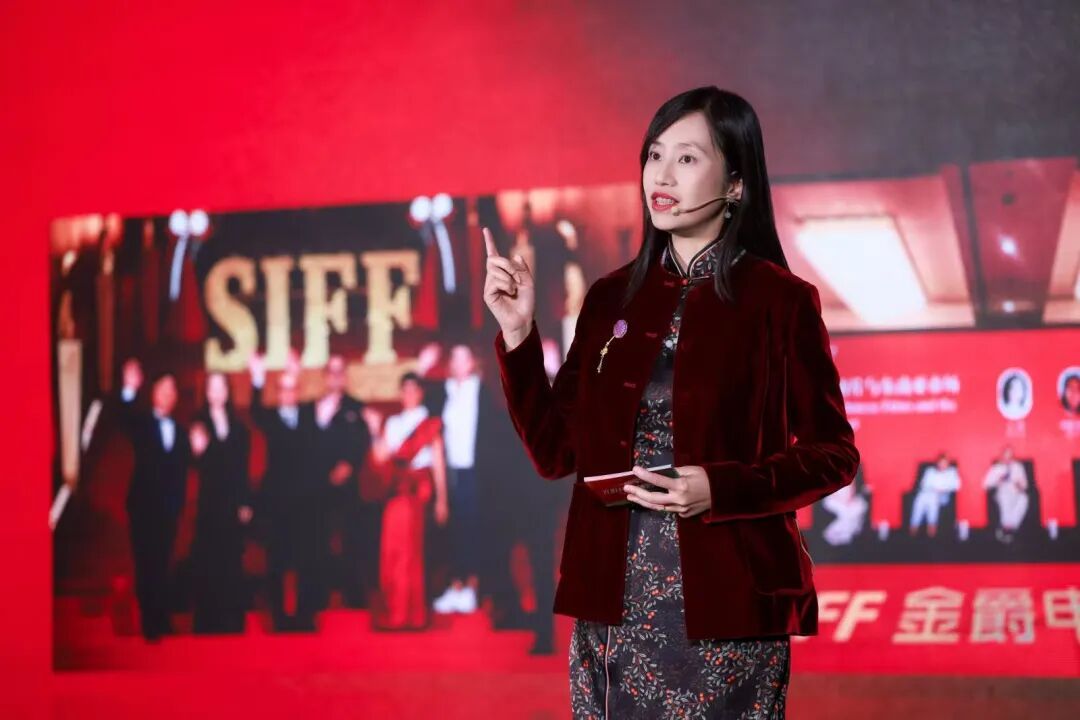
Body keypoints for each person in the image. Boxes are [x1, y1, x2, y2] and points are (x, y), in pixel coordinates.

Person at [484, 87, 859, 717]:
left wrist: (722, 487)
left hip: (728, 606)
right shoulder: (610, 299)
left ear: (735, 184)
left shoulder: (780, 300)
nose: (661, 175)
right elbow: (555, 454)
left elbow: (834, 453)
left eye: (687, 158)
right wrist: (519, 335)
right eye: (654, 155)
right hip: (613, 605)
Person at [118, 358, 191, 641]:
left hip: (169, 511)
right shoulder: (142, 423)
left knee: (163, 563)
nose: (168, 395)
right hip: (143, 508)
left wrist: (179, 505)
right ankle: (149, 622)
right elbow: (123, 416)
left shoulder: (181, 432)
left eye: (172, 391)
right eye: (163, 389)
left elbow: (183, 470)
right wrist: (128, 388)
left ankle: (161, 618)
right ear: (153, 393)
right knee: (145, 564)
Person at [370, 372, 450, 630]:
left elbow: (438, 462)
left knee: (411, 553)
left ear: (421, 393)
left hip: (417, 493)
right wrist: (374, 430)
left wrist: (442, 500)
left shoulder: (429, 423)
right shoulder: (393, 423)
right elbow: (380, 457)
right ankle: (394, 611)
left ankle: (410, 614)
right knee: (391, 551)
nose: (409, 394)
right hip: (394, 492)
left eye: (414, 390)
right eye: (405, 390)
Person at [248, 353, 320, 631]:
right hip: (276, 505)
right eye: (283, 389)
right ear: (277, 393)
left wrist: (297, 372)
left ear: (297, 392)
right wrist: (257, 377)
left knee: (305, 561)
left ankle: (304, 617)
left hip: (304, 505)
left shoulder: (308, 416)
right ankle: (278, 617)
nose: (288, 394)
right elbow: (254, 410)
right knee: (277, 562)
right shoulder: (268, 418)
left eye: (292, 389)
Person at [188, 372, 253, 634]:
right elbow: (195, 462)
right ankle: (207, 622)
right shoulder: (198, 422)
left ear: (227, 391)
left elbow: (243, 469)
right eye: (212, 388)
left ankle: (232, 622)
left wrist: (245, 502)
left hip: (233, 503)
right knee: (208, 561)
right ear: (206, 392)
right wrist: (197, 449)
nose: (216, 392)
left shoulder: (238, 426)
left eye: (221, 387)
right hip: (209, 503)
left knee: (232, 561)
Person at [311, 354, 372, 609]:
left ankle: (353, 597)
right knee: (319, 541)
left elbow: (363, 441)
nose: (335, 377)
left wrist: (349, 465)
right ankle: (320, 596)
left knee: (352, 540)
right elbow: (307, 444)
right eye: (331, 372)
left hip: (349, 486)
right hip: (318, 486)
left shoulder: (356, 407)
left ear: (345, 377)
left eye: (340, 372)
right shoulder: (314, 408)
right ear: (325, 376)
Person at [983, 445, 1030, 543]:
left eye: (1010, 456)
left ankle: (1011, 527)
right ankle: (1006, 527)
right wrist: (998, 480)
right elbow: (986, 484)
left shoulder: (1018, 467)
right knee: (1005, 498)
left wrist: (1019, 484)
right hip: (1003, 491)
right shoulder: (996, 468)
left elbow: (1025, 486)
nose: (1008, 458)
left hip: (1016, 492)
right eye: (1006, 455)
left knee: (1024, 499)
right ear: (1002, 456)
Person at [909, 453, 961, 538]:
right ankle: (916, 529)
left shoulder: (952, 472)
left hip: (942, 497)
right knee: (921, 499)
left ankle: (929, 530)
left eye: (945, 463)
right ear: (937, 463)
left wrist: (941, 489)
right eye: (941, 463)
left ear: (948, 464)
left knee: (930, 499)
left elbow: (956, 486)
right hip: (927, 494)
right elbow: (924, 484)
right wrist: (935, 488)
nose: (942, 465)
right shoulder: (930, 471)